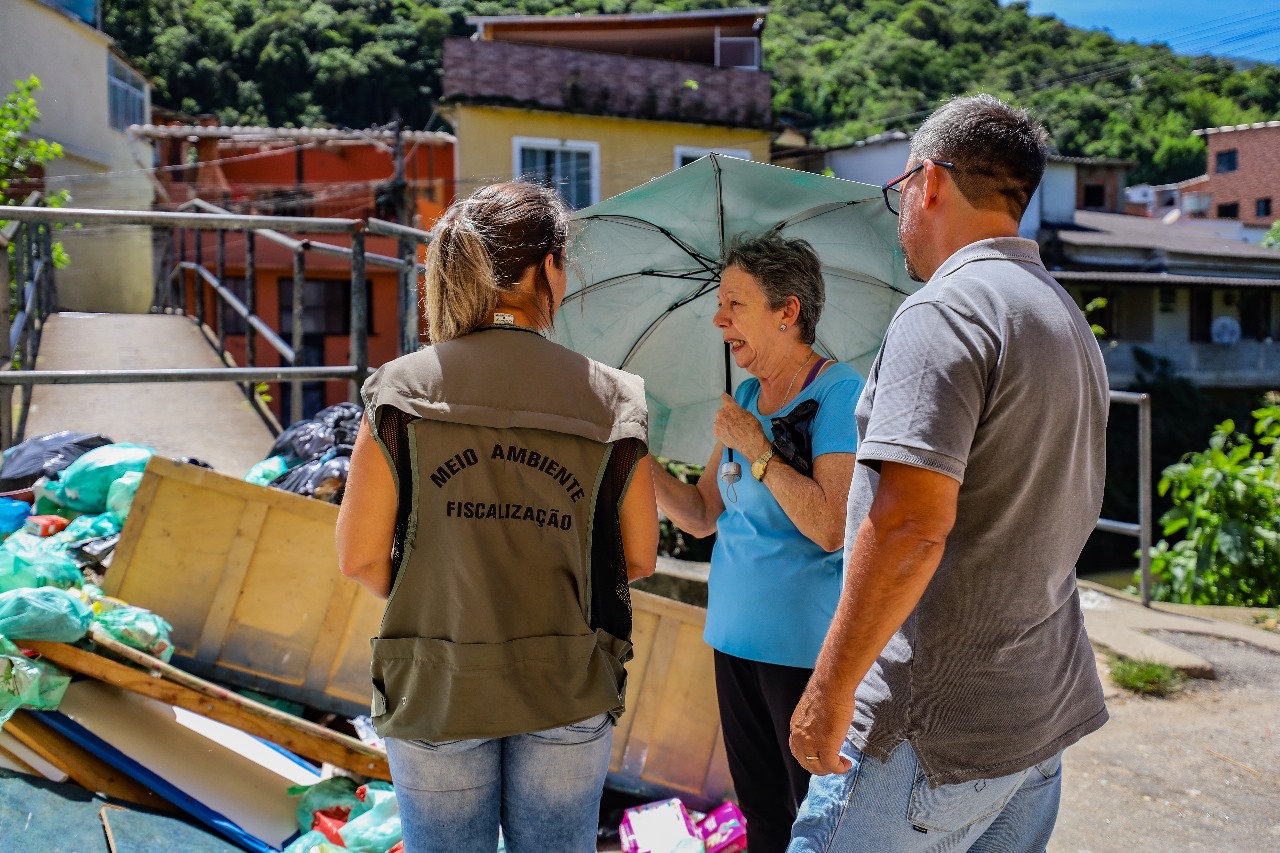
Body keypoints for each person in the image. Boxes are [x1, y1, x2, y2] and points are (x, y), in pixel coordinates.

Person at [787, 94, 1109, 851]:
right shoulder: (1064, 317)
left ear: (927, 183)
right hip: (1037, 717)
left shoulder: (946, 310)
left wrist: (831, 693)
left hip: (924, 739)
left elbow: (907, 522)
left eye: (899, 192)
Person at [335, 181, 659, 853]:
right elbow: (639, 556)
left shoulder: (401, 388)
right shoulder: (613, 398)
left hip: (435, 680)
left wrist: (444, 591)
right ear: (548, 266)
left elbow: (361, 557)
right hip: (567, 679)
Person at [652, 231, 864, 853]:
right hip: (733, 638)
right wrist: (634, 455)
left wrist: (757, 447)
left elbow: (830, 526)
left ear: (788, 311)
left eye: (735, 304)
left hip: (801, 649)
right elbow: (699, 515)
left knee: (816, 820)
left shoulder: (837, 392)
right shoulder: (745, 397)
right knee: (763, 818)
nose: (720, 319)